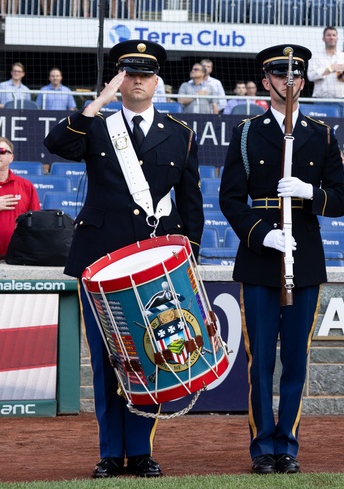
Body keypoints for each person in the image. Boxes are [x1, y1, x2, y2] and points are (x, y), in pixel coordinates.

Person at [44, 40, 203, 479]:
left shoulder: (180, 133)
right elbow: (55, 142)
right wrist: (99, 100)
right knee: (105, 359)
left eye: (144, 74)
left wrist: (190, 258)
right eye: (128, 73)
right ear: (118, 79)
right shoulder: (97, 125)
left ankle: (141, 450)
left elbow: (192, 205)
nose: (136, 80)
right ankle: (111, 453)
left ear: (157, 82)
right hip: (99, 259)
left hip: (151, 263)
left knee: (149, 356)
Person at [219, 44, 344, 475]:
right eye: (280, 75)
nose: (288, 82)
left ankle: (288, 445)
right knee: (261, 359)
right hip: (261, 257)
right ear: (266, 81)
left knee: (296, 356)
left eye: (296, 75)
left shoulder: (321, 132)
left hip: (304, 255)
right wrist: (263, 234)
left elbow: (341, 199)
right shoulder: (245, 132)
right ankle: (262, 447)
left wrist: (311, 193)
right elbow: (230, 199)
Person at [0, 136, 41, 259]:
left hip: (16, 256)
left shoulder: (26, 186)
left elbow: (35, 221)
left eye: (2, 151)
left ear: (11, 157)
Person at [307, 26, 344, 99]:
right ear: (323, 38)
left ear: (337, 38)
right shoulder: (315, 57)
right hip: (320, 101)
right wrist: (330, 69)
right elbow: (310, 76)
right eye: (328, 35)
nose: (331, 37)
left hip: (341, 101)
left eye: (334, 35)